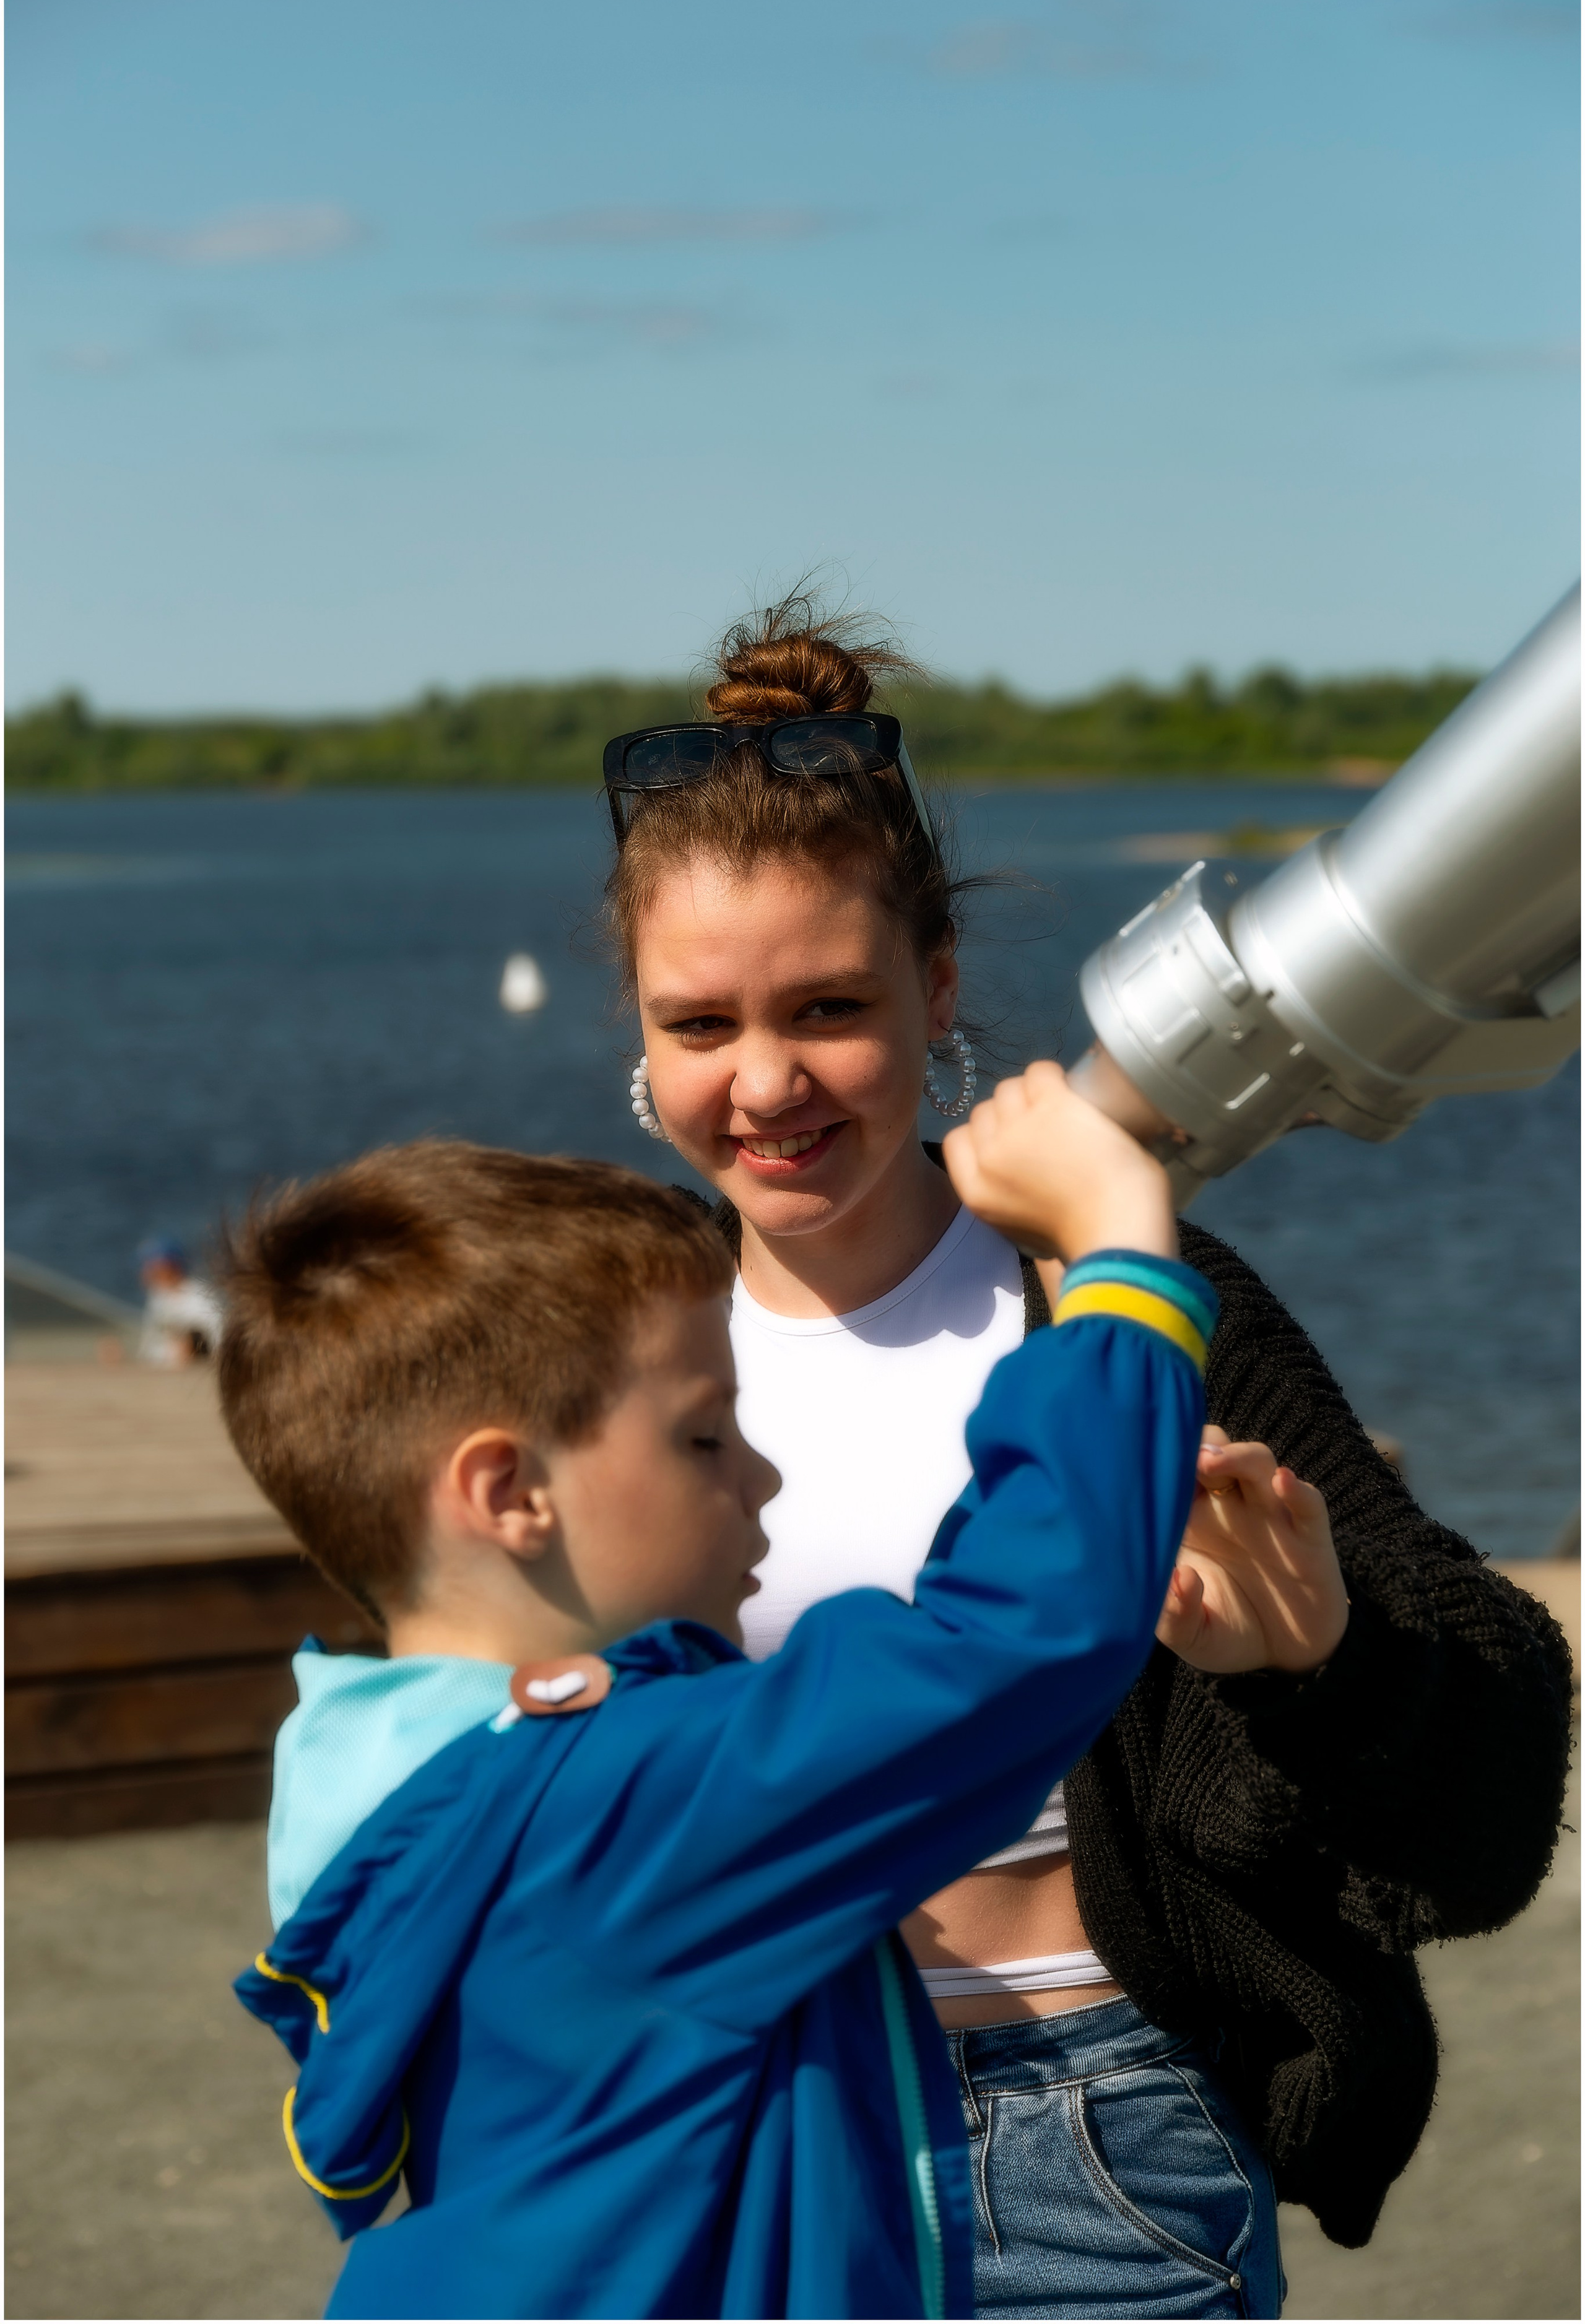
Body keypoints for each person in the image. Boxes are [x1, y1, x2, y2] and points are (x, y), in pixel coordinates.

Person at [601, 595, 1575, 2319]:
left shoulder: (1109, 1303)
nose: (766, 1083)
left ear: (941, 986)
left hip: (1100, 2144)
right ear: (639, 1024)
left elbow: (1491, 1786)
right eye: (702, 1026)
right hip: (735, 2148)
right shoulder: (594, 1355)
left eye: (830, 1005)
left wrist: (1329, 1668)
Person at [224, 1090, 1220, 2320]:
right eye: (704, 1438)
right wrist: (1116, 1258)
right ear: (509, 1491)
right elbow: (1009, 1649)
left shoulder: (420, 1792)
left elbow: (922, 1661)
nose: (761, 1475)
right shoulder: (609, 1810)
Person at [136, 1234, 224, 1367]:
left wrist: (193, 1348)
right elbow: (150, 1347)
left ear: (171, 1267)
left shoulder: (200, 1298)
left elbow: (219, 1341)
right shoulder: (158, 1297)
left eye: (153, 1267)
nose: (147, 1272)